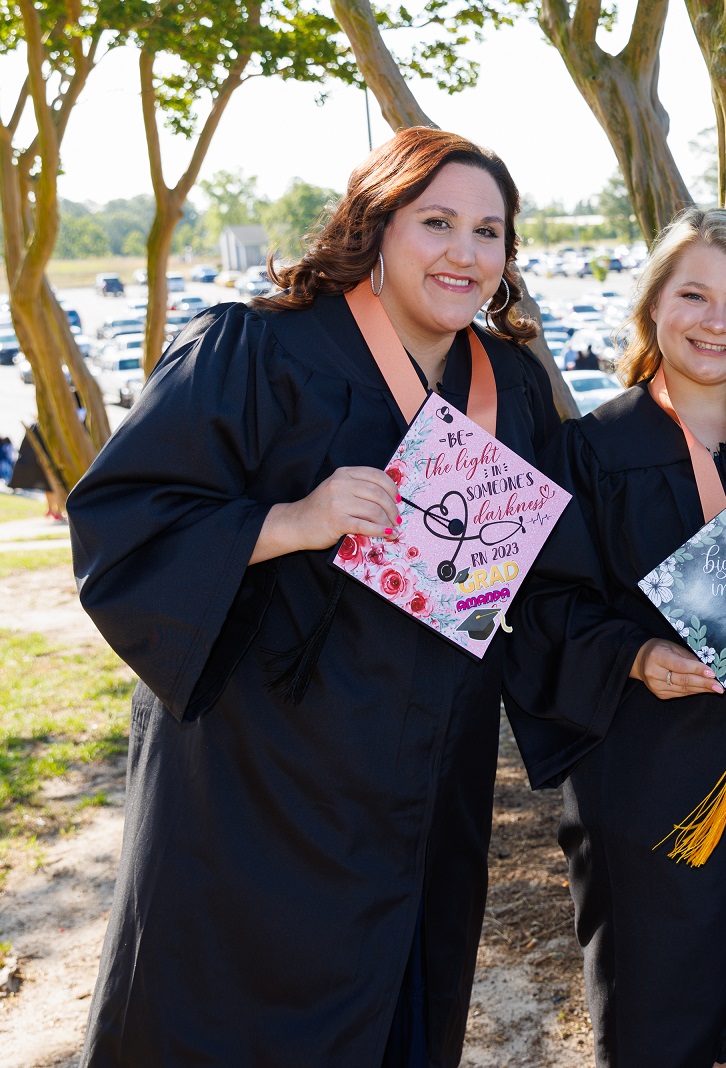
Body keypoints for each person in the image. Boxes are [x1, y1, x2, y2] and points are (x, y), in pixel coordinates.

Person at [68, 128, 561, 1067]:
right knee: (233, 1010)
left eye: (490, 232)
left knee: (401, 1002)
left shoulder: (514, 386)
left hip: (429, 766)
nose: (465, 251)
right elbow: (122, 520)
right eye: (438, 222)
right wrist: (292, 520)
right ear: (376, 224)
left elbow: (564, 557)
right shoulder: (255, 348)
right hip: (264, 769)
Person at [502, 207, 726, 1068]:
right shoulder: (591, 449)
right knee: (662, 999)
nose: (718, 321)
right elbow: (545, 608)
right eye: (695, 295)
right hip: (654, 770)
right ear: (653, 307)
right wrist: (633, 656)